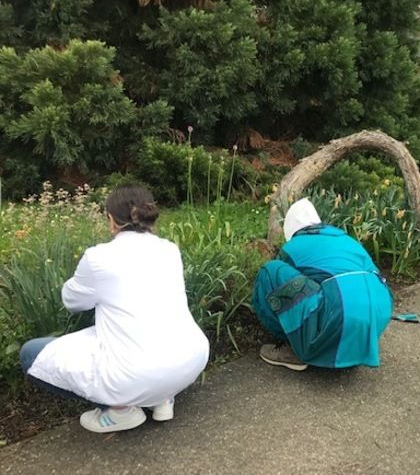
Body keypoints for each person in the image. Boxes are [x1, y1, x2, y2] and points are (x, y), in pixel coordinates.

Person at [20, 185, 210, 433]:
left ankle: (120, 411)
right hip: (190, 359)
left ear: (111, 220)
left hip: (136, 374)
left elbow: (73, 302)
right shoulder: (169, 249)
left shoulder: (98, 257)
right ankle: (162, 399)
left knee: (31, 354)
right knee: (130, 329)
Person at [252, 198, 393, 371]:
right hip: (379, 313)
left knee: (270, 271)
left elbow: (279, 288)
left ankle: (293, 347)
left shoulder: (293, 247)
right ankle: (353, 345)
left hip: (340, 316)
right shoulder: (346, 239)